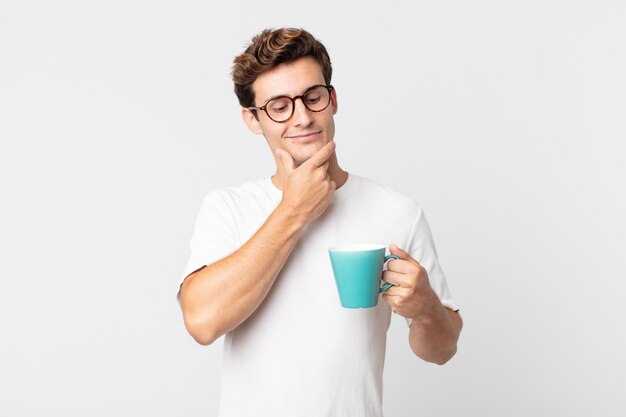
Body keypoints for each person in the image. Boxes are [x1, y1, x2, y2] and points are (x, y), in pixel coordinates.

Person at [177, 27, 462, 417]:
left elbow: (442, 350)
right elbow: (202, 322)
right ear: (252, 119)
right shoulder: (228, 208)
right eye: (279, 106)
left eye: (313, 97)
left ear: (333, 100)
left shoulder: (396, 210)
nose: (303, 118)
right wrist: (293, 210)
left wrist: (426, 307)